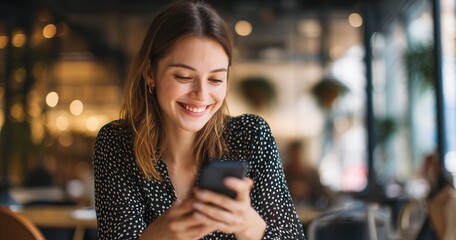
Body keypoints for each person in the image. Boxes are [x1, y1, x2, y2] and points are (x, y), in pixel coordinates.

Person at [92, 1, 306, 239]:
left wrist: (249, 227)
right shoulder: (118, 143)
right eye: (184, 76)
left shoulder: (250, 136)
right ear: (150, 73)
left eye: (215, 80)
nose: (201, 95)